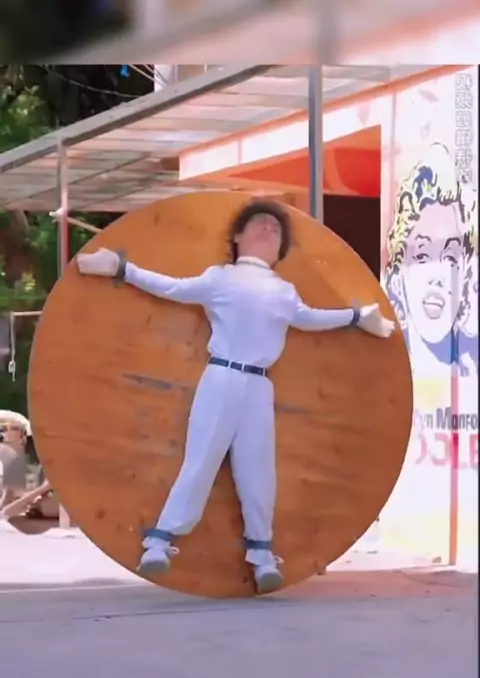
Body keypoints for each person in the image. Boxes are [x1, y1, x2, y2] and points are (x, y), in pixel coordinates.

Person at [77, 199, 394, 593]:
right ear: (238, 237)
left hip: (259, 385)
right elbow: (172, 287)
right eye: (259, 222)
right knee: (201, 460)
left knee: (259, 470)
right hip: (222, 375)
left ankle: (262, 555)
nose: (268, 228)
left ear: (280, 250)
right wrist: (122, 268)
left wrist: (356, 317)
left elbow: (309, 318)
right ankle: (159, 542)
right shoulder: (220, 279)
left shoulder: (284, 292)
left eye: (275, 228)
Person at [384, 143, 476, 377]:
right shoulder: (383, 370)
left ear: (465, 272)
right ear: (399, 272)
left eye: (451, 257)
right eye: (423, 255)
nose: (437, 277)